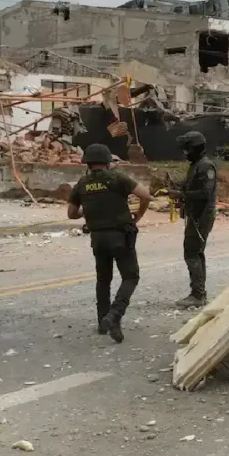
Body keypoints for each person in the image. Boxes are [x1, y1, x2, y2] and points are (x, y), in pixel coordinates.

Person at [67, 143, 152, 343]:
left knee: (103, 279)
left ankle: (101, 321)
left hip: (98, 239)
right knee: (131, 276)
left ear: (87, 163)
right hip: (120, 236)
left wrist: (87, 210)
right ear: (107, 162)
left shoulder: (82, 183)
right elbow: (146, 195)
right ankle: (114, 315)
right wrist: (139, 214)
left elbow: (71, 214)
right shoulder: (118, 177)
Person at [167, 131, 218, 309]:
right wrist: (180, 187)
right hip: (195, 215)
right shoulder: (197, 165)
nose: (185, 153)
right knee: (196, 252)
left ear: (194, 148)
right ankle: (200, 293)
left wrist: (181, 194)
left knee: (191, 252)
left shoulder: (205, 166)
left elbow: (205, 193)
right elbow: (194, 185)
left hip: (201, 216)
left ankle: (197, 294)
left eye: (187, 149)